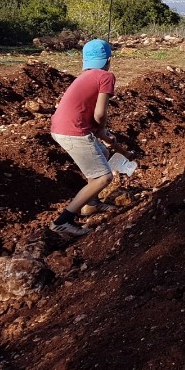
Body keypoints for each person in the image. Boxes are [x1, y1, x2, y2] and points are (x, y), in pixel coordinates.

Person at [49, 39, 126, 237]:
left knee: (103, 151)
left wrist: (100, 132)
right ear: (109, 59)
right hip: (72, 131)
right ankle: (62, 222)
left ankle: (91, 204)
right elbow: (100, 114)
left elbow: (84, 111)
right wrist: (101, 129)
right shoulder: (106, 76)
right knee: (104, 177)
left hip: (60, 127)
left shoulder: (85, 77)